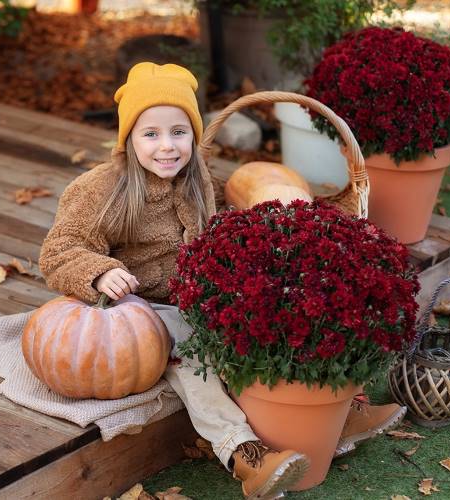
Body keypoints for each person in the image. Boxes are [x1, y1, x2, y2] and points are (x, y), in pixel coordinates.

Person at [38, 62, 404, 499]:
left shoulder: (198, 182)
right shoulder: (103, 190)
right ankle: (242, 453)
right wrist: (99, 272)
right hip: (139, 309)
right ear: (128, 139)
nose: (167, 147)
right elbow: (58, 251)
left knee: (276, 315)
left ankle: (335, 412)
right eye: (150, 134)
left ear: (194, 135)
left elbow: (222, 225)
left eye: (179, 132)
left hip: (197, 298)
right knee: (195, 358)